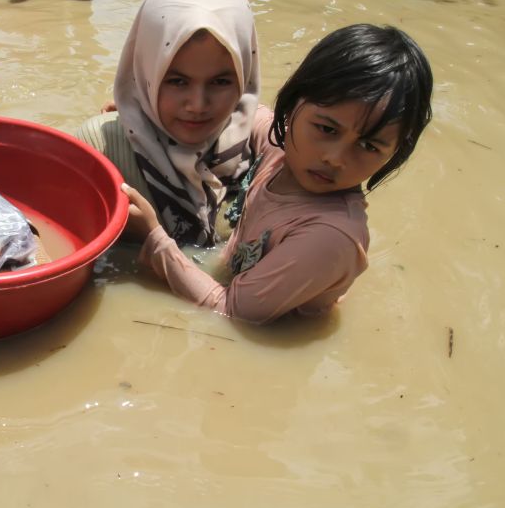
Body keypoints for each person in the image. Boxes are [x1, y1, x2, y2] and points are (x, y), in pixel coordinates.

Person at [122, 24, 434, 323]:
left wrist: (154, 238)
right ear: (293, 105)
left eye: (368, 146)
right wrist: (147, 116)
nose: (335, 158)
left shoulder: (329, 236)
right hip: (231, 269)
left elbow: (230, 313)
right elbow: (237, 112)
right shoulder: (282, 150)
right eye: (326, 129)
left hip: (257, 321)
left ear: (395, 153)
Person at [75, 0, 262, 247]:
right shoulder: (99, 150)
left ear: (245, 76)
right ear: (147, 73)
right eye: (177, 81)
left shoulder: (261, 147)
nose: (198, 105)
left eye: (220, 82)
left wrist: (154, 240)